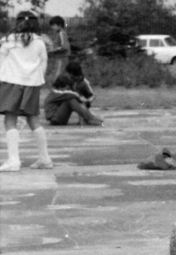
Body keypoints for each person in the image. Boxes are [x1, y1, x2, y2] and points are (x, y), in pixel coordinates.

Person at [1, 11, 53, 170]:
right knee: (33, 118)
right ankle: (45, 158)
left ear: (16, 23)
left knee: (10, 120)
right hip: (32, 84)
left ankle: (13, 161)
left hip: (11, 81)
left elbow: (1, 60)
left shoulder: (8, 40)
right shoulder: (40, 42)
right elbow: (44, 63)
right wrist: (37, 79)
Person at [44, 61, 102, 126]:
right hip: (54, 116)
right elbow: (66, 93)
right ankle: (90, 118)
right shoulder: (61, 82)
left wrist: (87, 101)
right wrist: (80, 98)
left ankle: (88, 118)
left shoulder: (82, 81)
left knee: (76, 98)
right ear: (70, 74)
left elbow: (91, 95)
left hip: (62, 115)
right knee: (71, 98)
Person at [43, 15, 70, 86]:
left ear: (60, 25)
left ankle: (59, 91)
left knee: (58, 76)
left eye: (54, 25)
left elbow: (64, 47)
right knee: (59, 75)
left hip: (62, 58)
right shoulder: (60, 34)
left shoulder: (62, 33)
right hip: (60, 58)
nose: (52, 28)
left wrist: (53, 50)